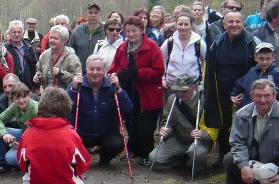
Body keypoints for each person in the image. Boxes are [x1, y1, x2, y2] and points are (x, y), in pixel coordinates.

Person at [17, 86, 91, 184]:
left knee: (30, 174)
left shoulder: (28, 133)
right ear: (66, 108)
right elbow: (84, 163)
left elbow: (21, 163)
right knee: (78, 176)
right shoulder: (71, 135)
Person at [222, 79, 279, 184]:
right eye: (258, 96)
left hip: (277, 165)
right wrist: (243, 166)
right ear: (251, 96)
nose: (262, 100)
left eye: (267, 95)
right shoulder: (241, 115)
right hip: (251, 159)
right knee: (229, 158)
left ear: (274, 95)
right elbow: (237, 143)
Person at [108, 15, 165, 166]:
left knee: (145, 125)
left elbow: (159, 70)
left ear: (141, 31)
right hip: (129, 89)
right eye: (128, 31)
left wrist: (139, 72)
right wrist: (120, 73)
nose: (131, 34)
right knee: (131, 121)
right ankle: (132, 149)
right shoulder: (122, 47)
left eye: (134, 31)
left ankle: (145, 153)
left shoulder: (151, 46)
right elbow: (115, 67)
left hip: (148, 92)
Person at [203, 10, 256, 168]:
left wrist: (244, 91)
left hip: (245, 92)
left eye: (237, 22)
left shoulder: (251, 42)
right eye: (230, 22)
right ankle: (223, 157)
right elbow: (210, 67)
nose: (234, 25)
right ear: (224, 24)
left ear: (243, 23)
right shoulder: (217, 42)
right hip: (221, 91)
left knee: (244, 127)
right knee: (224, 126)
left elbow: (256, 70)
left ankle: (243, 159)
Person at [69, 55, 132, 168]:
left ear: (104, 71)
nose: (95, 72)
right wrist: (73, 90)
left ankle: (104, 159)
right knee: (68, 142)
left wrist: (118, 89)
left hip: (106, 132)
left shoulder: (111, 86)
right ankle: (81, 158)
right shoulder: (77, 84)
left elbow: (127, 108)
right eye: (91, 69)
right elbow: (65, 107)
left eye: (99, 69)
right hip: (81, 132)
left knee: (118, 143)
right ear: (86, 70)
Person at [150, 74, 213, 169]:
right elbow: (166, 121)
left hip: (199, 140)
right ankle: (181, 158)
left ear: (193, 87)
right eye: (177, 90)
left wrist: (203, 134)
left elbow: (213, 126)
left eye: (184, 91)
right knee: (154, 158)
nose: (180, 94)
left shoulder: (204, 100)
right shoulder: (172, 99)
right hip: (180, 139)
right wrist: (166, 129)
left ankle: (199, 166)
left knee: (196, 153)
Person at [0, 82, 39, 174]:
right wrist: (4, 134)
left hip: (36, 141)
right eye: (17, 98)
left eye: (24, 97)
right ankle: (3, 164)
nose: (21, 100)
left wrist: (22, 145)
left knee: (11, 158)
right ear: (12, 99)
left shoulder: (36, 109)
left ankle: (33, 164)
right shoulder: (14, 107)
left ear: (29, 95)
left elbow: (41, 134)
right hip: (24, 134)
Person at [231, 42, 279, 108]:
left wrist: (269, 91)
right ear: (255, 57)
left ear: (273, 58)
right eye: (261, 58)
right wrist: (234, 95)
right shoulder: (252, 71)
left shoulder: (277, 73)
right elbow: (240, 84)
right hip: (249, 107)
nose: (264, 62)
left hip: (267, 108)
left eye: (268, 59)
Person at [162, 12, 205, 88]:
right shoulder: (169, 43)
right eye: (180, 24)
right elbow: (162, 62)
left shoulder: (199, 44)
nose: (183, 27)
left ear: (191, 26)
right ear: (176, 25)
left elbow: (205, 64)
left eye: (186, 24)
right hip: (171, 86)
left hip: (192, 87)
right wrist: (163, 79)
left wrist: (202, 83)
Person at [33, 24, 81, 92]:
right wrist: (38, 76)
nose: (52, 40)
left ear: (64, 41)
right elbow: (39, 70)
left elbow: (77, 80)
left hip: (65, 97)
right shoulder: (45, 54)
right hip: (47, 96)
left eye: (55, 38)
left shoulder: (72, 58)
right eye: (51, 38)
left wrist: (60, 73)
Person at [5, 19, 38, 88]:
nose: (17, 35)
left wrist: (36, 86)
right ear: (9, 33)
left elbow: (34, 67)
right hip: (10, 87)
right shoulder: (4, 49)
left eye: (19, 32)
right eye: (14, 32)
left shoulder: (29, 48)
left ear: (23, 33)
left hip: (27, 86)